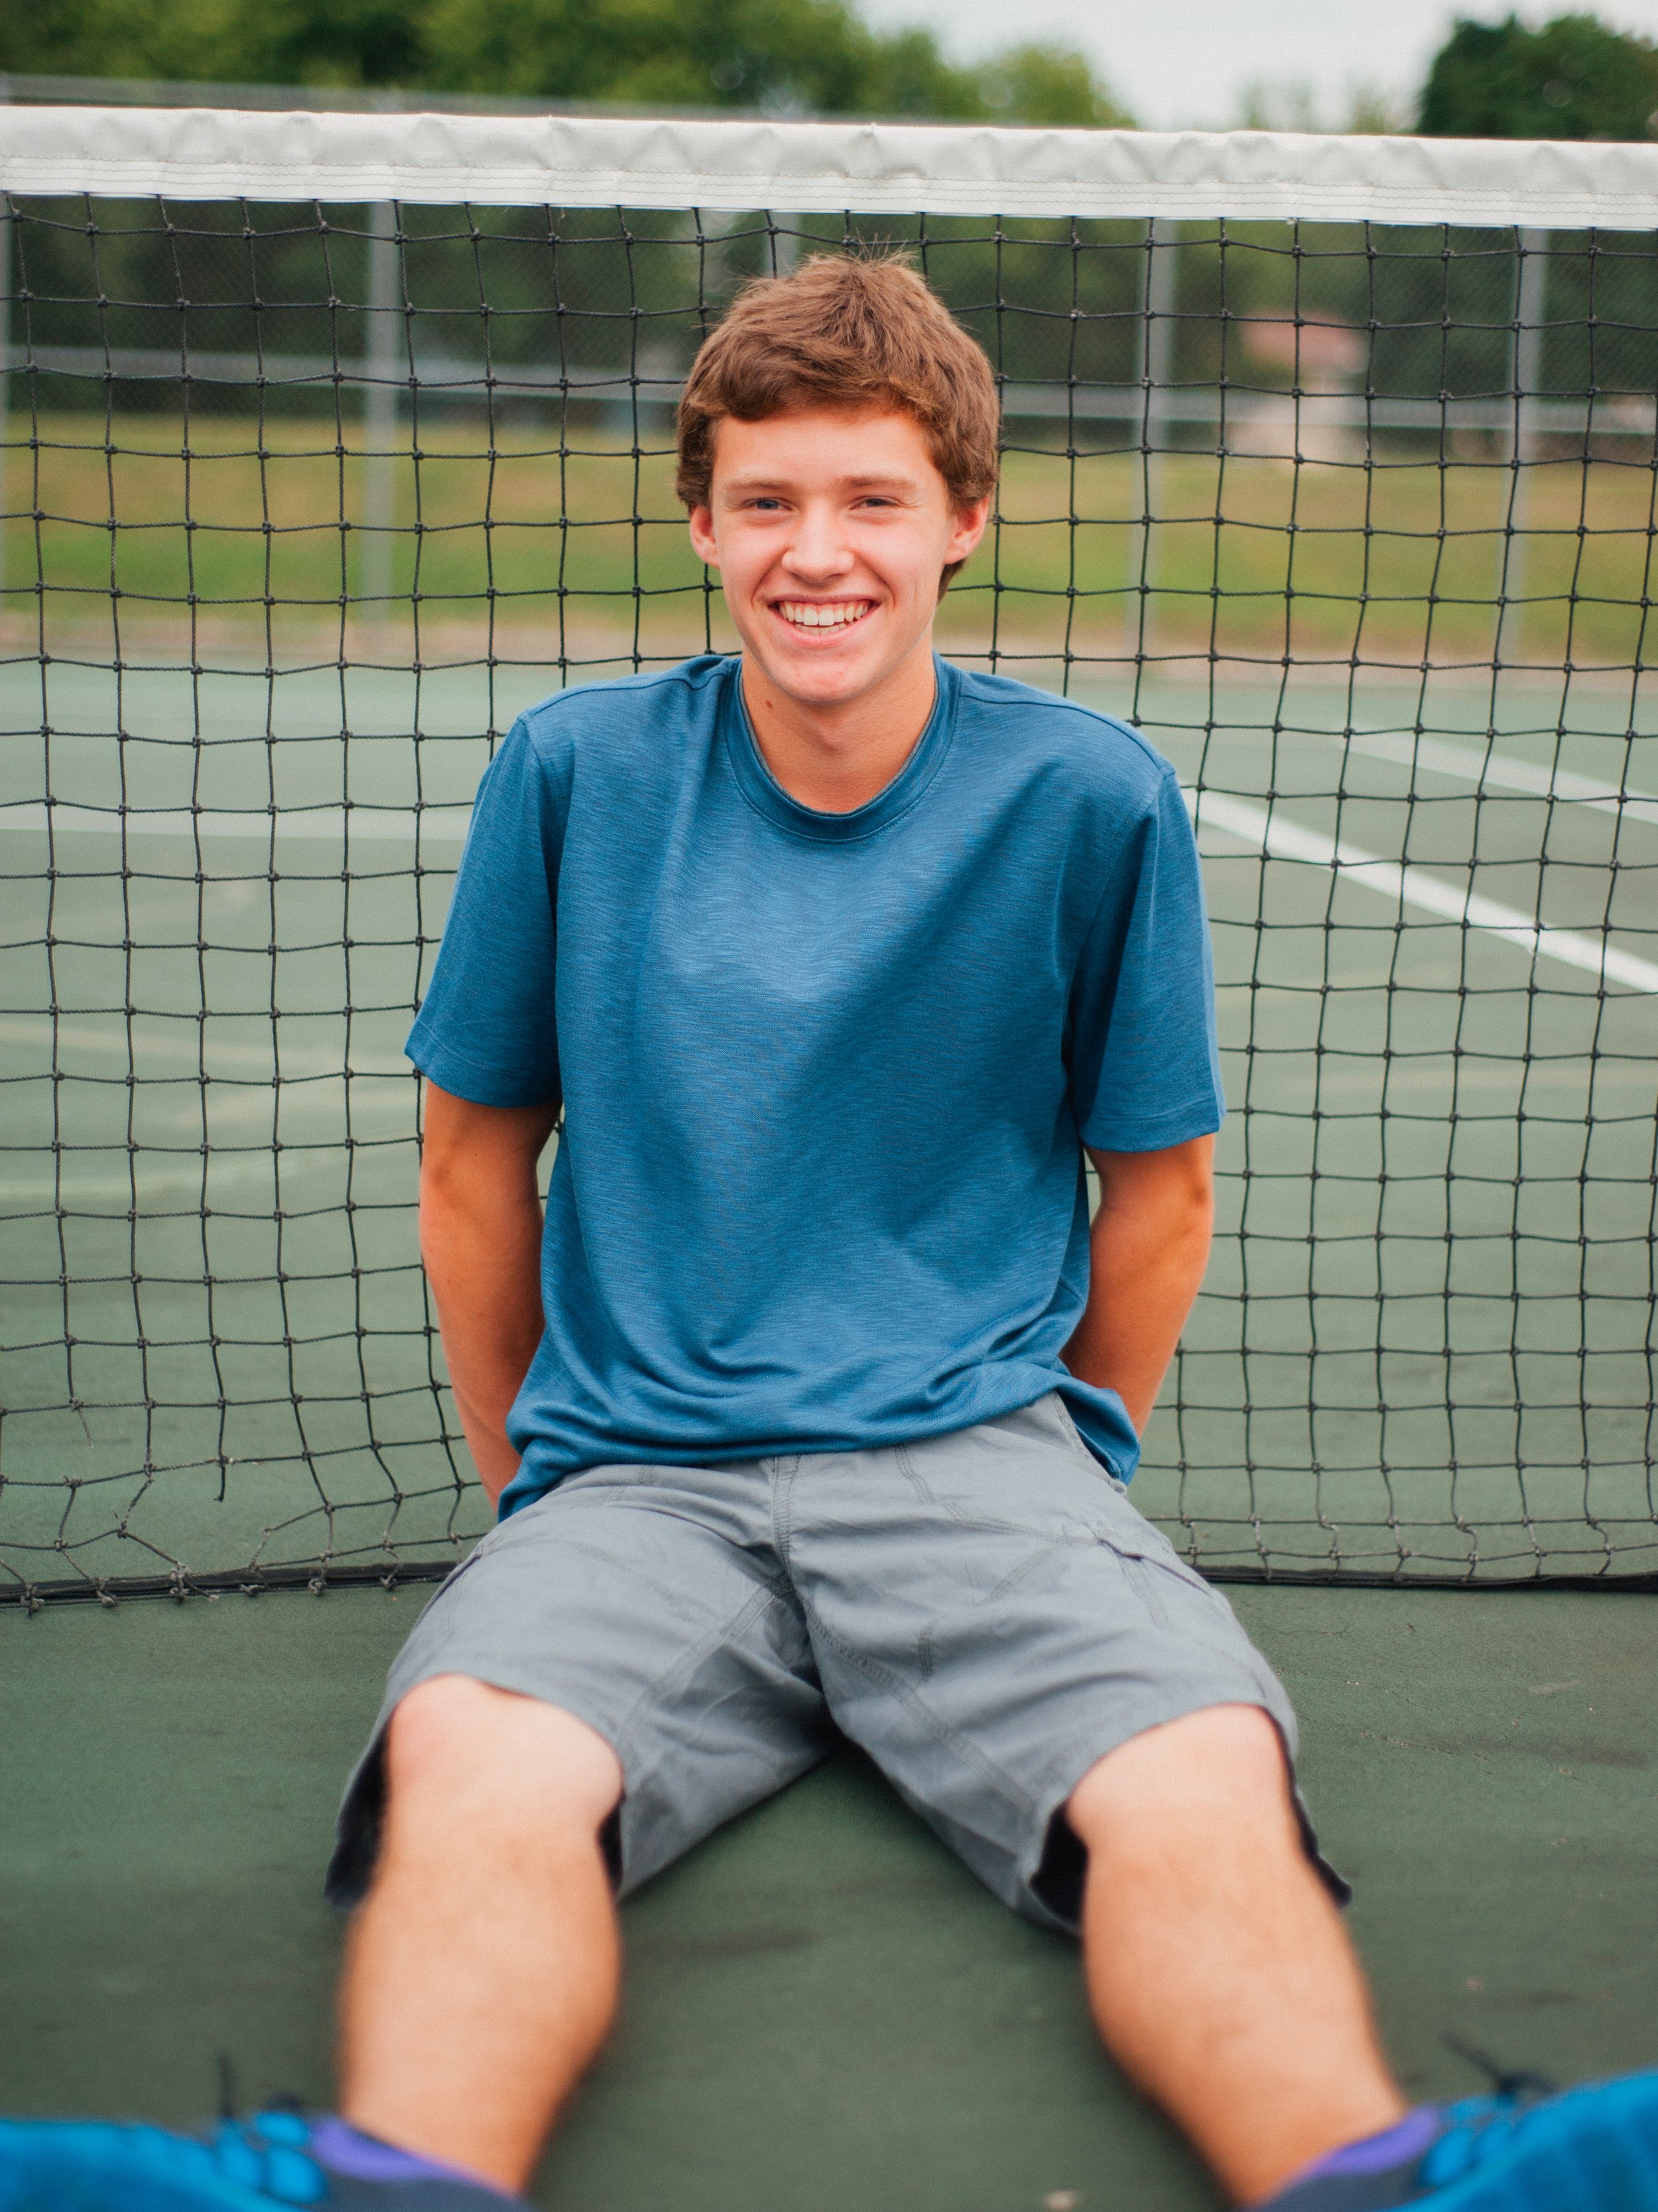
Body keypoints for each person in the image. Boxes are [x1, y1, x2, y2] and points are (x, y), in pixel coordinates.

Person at [3, 254, 1655, 2212]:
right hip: (633, 1481)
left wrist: (1071, 1452)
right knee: (475, 1761)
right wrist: (529, 1476)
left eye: (871, 500)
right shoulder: (572, 773)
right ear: (699, 518)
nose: (818, 554)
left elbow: (1161, 1193)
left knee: (1197, 1772)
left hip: (976, 1463)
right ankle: (388, 2180)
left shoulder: (1089, 797)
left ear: (963, 519)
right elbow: (472, 1165)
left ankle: (1381, 2179)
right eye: (768, 501)